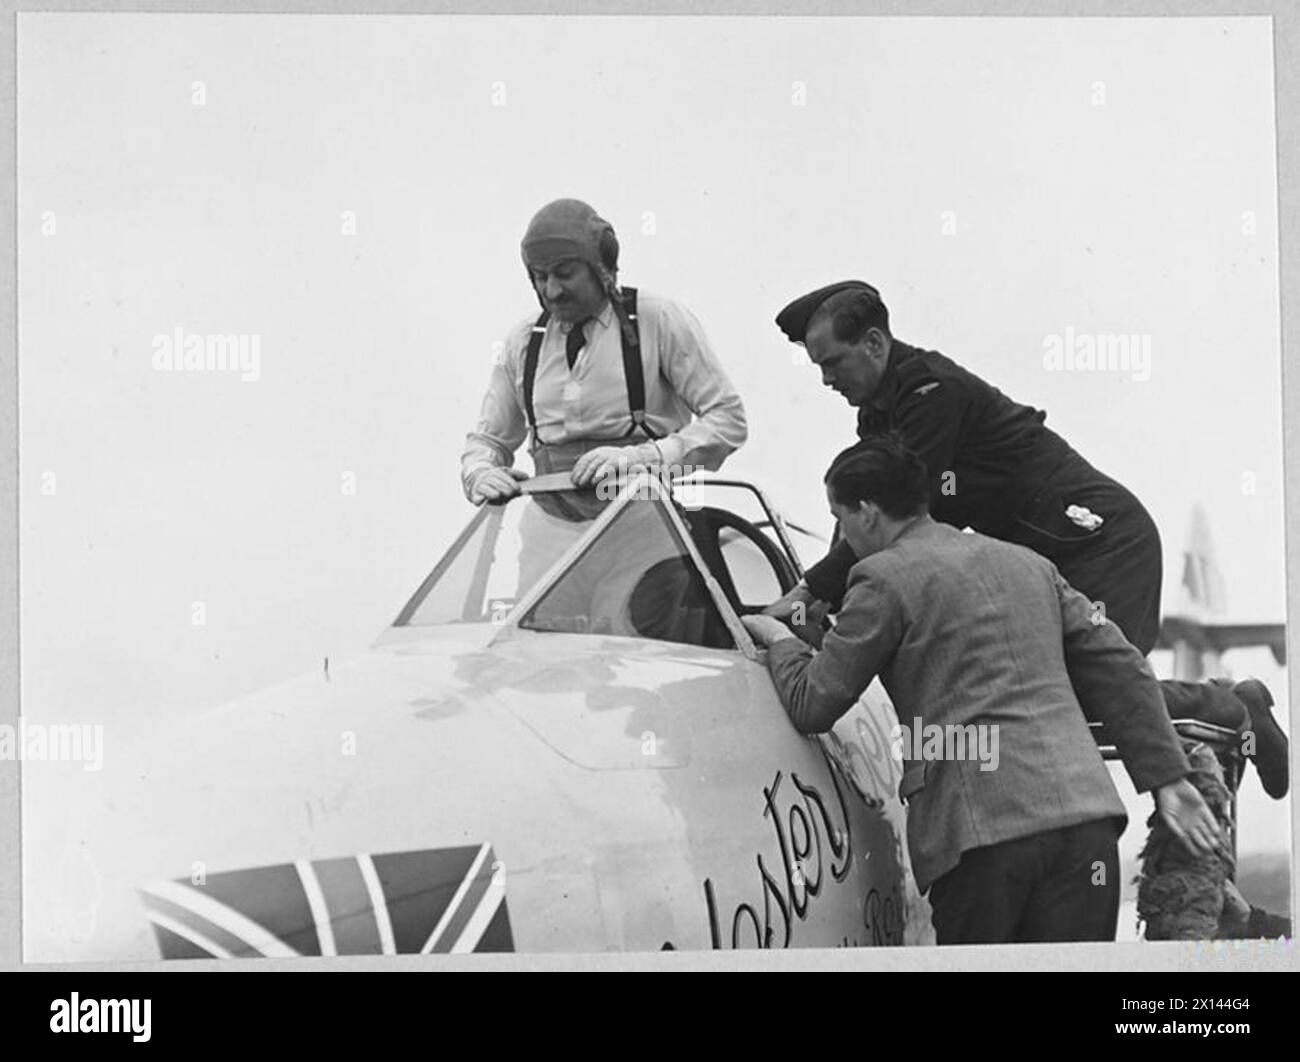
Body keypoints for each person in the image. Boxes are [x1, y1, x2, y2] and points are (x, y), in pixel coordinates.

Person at [764, 280, 1288, 801]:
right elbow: (864, 515)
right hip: (1051, 555)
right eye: (818, 368)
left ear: (875, 344)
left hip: (1102, 541)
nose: (827, 379)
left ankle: (1234, 708)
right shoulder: (886, 411)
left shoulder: (930, 394)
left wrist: (812, 593)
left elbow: (893, 509)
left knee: (1094, 687)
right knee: (1054, 690)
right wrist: (823, 598)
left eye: (832, 362)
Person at [742, 435, 1225, 945]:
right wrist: (1167, 778)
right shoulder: (1026, 563)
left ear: (865, 512)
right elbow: (1121, 665)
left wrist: (777, 638)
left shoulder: (880, 578)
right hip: (1086, 827)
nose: (843, 536)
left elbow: (813, 702)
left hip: (982, 838)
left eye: (839, 517)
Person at [459, 198, 747, 599]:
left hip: (643, 536)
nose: (552, 290)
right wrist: (479, 471)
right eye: (540, 277)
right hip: (550, 541)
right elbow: (488, 441)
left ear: (602, 268)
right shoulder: (523, 341)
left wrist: (642, 458)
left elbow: (728, 419)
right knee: (540, 656)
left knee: (643, 652)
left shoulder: (657, 320)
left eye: (565, 273)